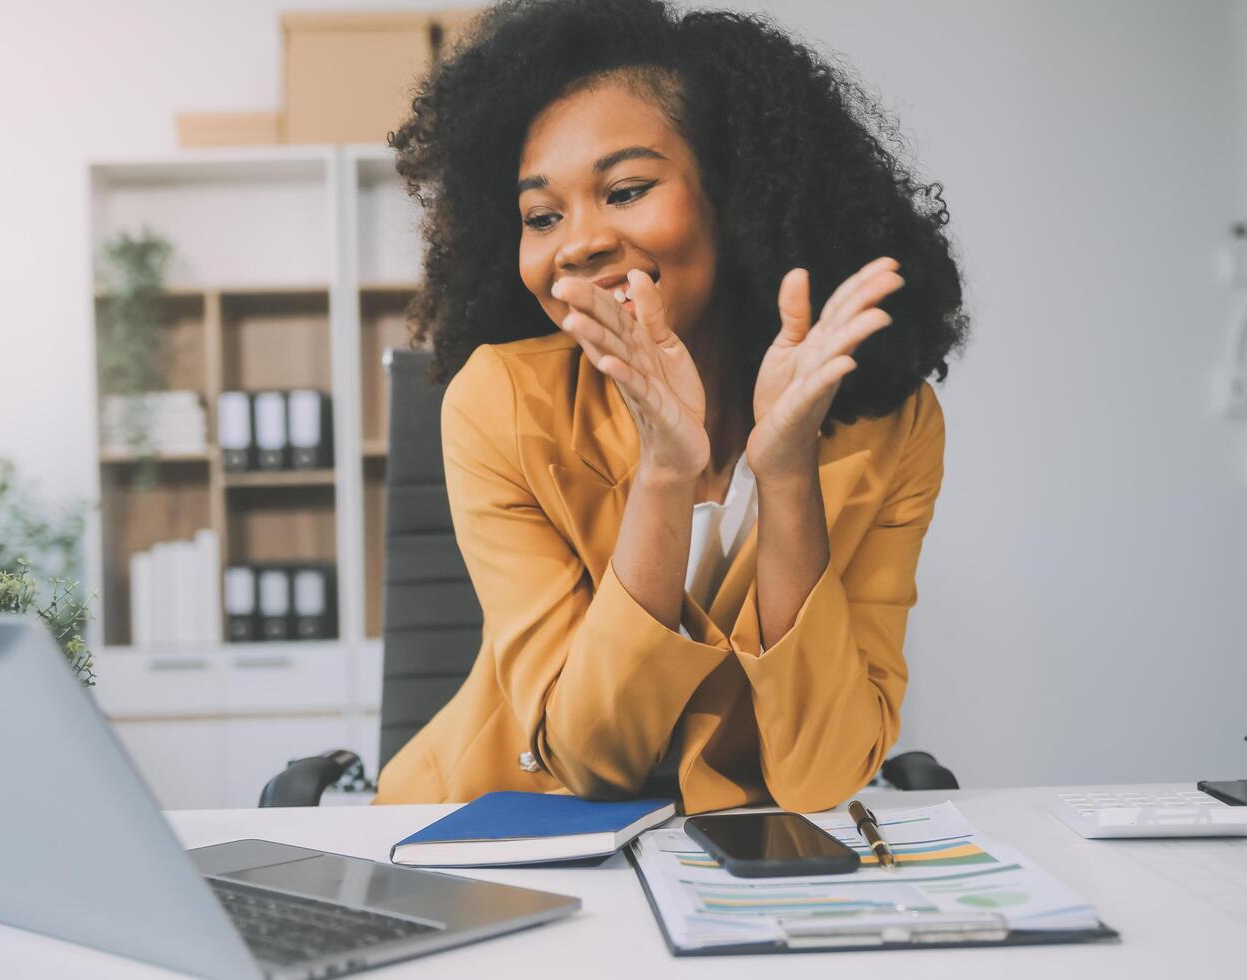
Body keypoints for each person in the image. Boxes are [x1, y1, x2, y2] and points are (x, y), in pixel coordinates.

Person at [373, 0, 969, 814]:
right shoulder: (501, 404)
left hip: (725, 861)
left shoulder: (891, 433)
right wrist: (665, 471)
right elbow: (590, 760)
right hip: (493, 831)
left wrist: (787, 477)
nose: (576, 242)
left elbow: (824, 772)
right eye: (541, 216)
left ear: (735, 193)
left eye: (624, 190)